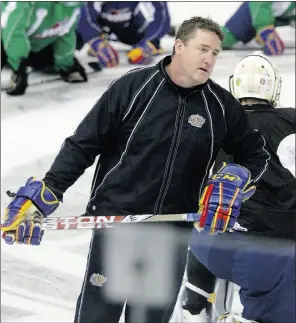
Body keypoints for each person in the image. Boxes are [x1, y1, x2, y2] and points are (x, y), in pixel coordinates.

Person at [1, 17, 270, 323]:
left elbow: (255, 154)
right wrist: (46, 192)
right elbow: (83, 145)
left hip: (171, 235)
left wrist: (236, 176)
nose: (209, 59)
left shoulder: (221, 107)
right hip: (117, 227)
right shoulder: (134, 88)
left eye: (216, 53)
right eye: (203, 49)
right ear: (179, 47)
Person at [187, 53, 296, 323]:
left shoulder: (212, 125)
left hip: (224, 251)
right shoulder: (292, 120)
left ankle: (195, 307)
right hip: (282, 253)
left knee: (198, 229)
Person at [1, 1, 87, 96]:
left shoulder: (74, 6)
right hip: (5, 39)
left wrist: (67, 65)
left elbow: (66, 34)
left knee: (76, 40)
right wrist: (18, 65)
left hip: (33, 44)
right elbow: (13, 31)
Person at [76, 1, 171, 67]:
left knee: (147, 45)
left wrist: (148, 40)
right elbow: (84, 16)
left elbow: (161, 16)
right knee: (75, 36)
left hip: (130, 24)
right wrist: (96, 41)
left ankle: (148, 44)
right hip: (100, 22)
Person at [220, 1, 296, 55]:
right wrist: (266, 31)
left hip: (278, 17)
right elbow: (260, 5)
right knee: (226, 37)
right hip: (254, 12)